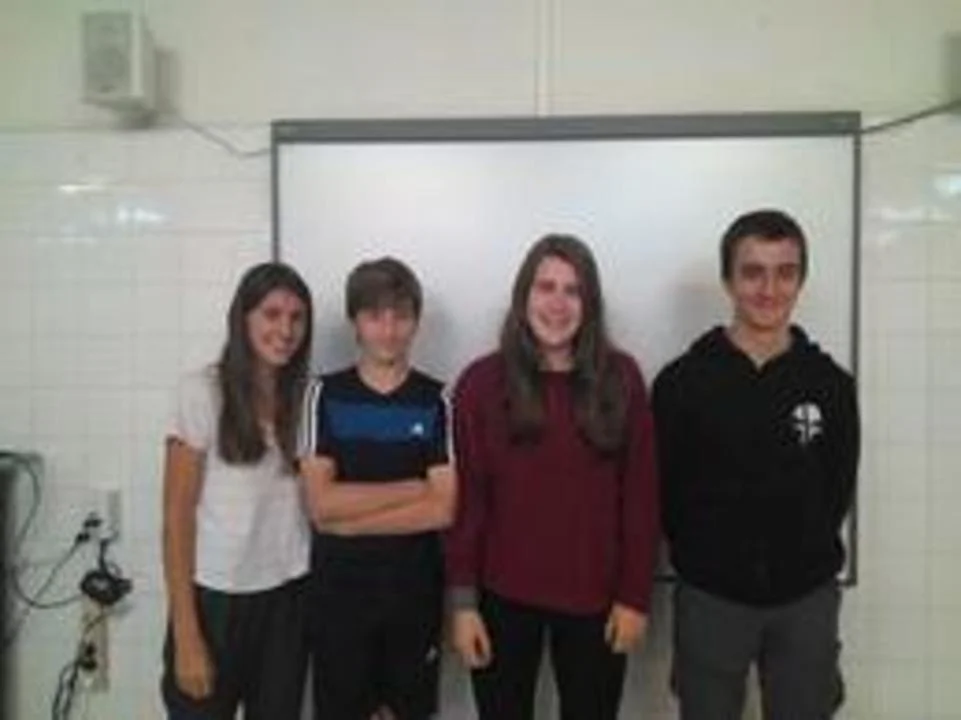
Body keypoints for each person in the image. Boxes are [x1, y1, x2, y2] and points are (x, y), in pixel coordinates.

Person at [652, 209, 860, 720]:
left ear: (801, 280)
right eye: (753, 273)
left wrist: (797, 550)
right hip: (711, 596)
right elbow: (666, 491)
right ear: (728, 280)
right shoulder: (681, 383)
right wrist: (708, 554)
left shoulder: (831, 385)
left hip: (805, 597)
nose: (769, 289)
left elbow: (837, 486)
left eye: (785, 273)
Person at [445, 234, 660, 720]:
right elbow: (469, 501)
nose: (558, 304)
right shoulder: (481, 383)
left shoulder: (622, 378)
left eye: (573, 290)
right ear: (524, 296)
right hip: (501, 600)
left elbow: (641, 499)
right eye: (546, 287)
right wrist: (463, 604)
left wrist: (634, 599)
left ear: (591, 304)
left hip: (597, 603)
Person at [299, 257, 455, 720]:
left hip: (414, 598)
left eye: (401, 316)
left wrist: (350, 522)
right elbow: (321, 504)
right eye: (374, 316)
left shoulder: (437, 399)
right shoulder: (323, 394)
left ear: (416, 322)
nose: (388, 330)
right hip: (339, 600)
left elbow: (443, 509)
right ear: (355, 322)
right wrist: (413, 487)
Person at [161, 262, 314, 719]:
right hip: (215, 600)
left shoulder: (307, 398)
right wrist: (187, 635)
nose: (285, 330)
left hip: (288, 598)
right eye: (272, 314)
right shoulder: (202, 392)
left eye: (297, 317)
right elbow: (176, 519)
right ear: (242, 318)